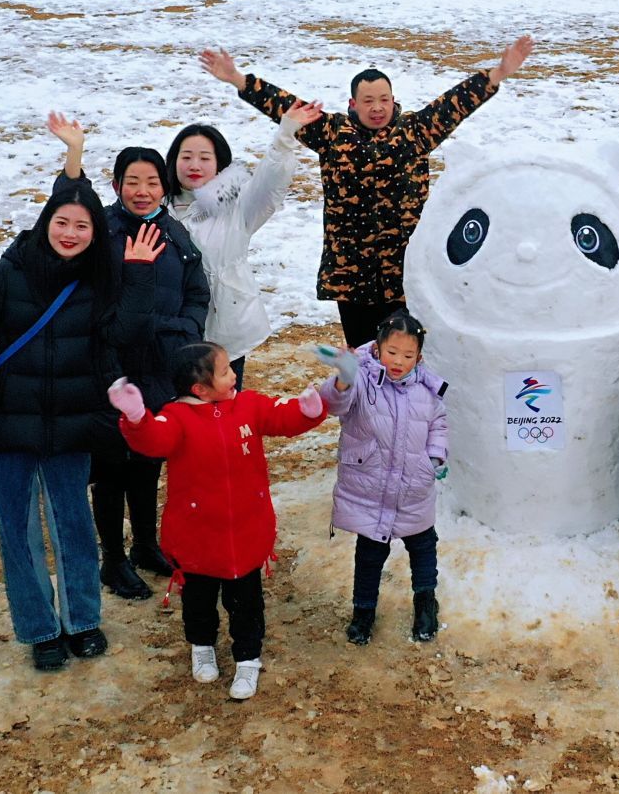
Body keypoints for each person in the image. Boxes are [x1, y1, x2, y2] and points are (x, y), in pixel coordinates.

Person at [199, 37, 535, 347]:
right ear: (353, 103)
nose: (378, 108)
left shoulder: (416, 131)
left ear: (394, 100)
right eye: (369, 101)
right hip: (351, 276)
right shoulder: (331, 132)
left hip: (406, 273)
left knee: (404, 357)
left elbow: (455, 103)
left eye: (384, 100)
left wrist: (498, 73)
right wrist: (239, 80)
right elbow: (285, 106)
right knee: (363, 360)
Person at [0, 179, 156, 672]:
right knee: (17, 533)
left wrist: (142, 277)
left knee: (74, 526)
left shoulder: (100, 278)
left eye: (82, 225)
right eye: (61, 222)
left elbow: (124, 333)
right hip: (7, 425)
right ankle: (40, 629)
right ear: (45, 224)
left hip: (73, 424)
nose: (70, 233)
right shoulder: (7, 274)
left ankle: (83, 620)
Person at [47, 115, 211, 602]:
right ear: (116, 185)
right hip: (112, 370)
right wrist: (74, 152)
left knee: (148, 462)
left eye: (152, 182)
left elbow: (197, 293)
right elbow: (64, 209)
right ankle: (112, 559)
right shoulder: (102, 230)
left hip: (160, 367)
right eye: (132, 182)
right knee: (113, 466)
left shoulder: (174, 234)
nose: (142, 191)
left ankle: (144, 545)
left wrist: (183, 337)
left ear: (164, 186)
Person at [109, 341, 329, 701]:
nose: (234, 375)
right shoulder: (177, 417)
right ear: (199, 389)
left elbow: (282, 416)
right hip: (198, 537)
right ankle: (202, 645)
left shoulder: (248, 406)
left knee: (247, 603)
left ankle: (247, 657)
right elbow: (154, 440)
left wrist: (308, 409)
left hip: (245, 531)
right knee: (198, 600)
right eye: (225, 371)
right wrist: (137, 418)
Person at [318, 311, 448, 646]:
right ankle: (363, 610)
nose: (399, 361)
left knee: (423, 547)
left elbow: (439, 424)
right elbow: (335, 403)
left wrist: (433, 458)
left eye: (408, 355)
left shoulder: (427, 389)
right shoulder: (362, 379)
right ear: (377, 348)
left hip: (413, 486)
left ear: (419, 356)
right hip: (370, 487)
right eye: (392, 352)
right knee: (370, 553)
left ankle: (425, 602)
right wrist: (344, 378)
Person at [157, 108, 311, 387]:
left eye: (205, 158)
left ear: (219, 164)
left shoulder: (238, 204)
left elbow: (270, 184)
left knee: (223, 409)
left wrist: (284, 138)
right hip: (173, 326)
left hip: (227, 326)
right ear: (173, 161)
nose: (195, 165)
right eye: (186, 157)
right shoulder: (157, 206)